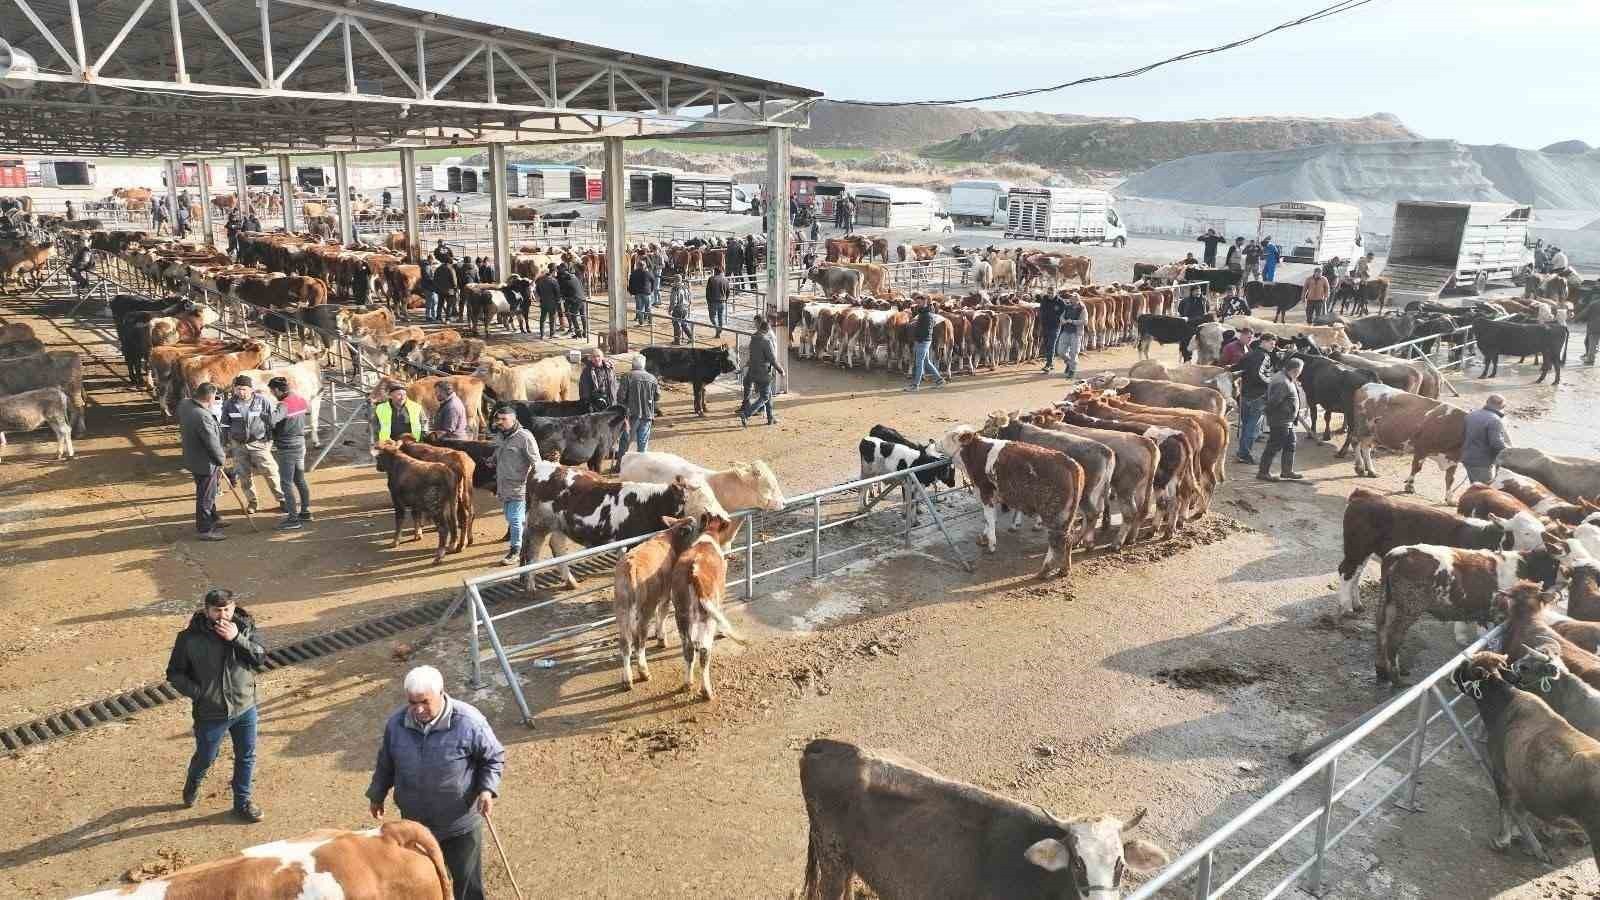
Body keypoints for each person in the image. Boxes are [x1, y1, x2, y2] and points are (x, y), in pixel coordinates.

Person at [367, 666, 505, 900]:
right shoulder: (396, 725)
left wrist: (486, 790)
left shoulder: (469, 722)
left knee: (466, 883)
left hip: (459, 823)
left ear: (441, 693)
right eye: (412, 702)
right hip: (415, 824)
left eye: (424, 702)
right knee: (423, 881)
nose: (418, 709)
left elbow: (493, 757)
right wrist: (377, 794)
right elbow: (386, 763)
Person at [167, 587, 267, 822]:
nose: (222, 615)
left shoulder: (245, 628)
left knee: (246, 756)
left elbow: (260, 657)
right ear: (207, 610)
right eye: (217, 610)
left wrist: (236, 639)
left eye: (227, 609)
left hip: (245, 706)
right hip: (211, 712)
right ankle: (193, 782)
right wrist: (200, 694)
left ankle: (242, 803)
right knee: (206, 756)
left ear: (233, 607)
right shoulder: (189, 639)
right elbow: (175, 673)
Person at [221, 375, 285, 514]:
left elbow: (271, 422)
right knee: (244, 476)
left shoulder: (263, 402)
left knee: (271, 473)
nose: (240, 392)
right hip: (238, 446)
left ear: (251, 389)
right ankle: (252, 503)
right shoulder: (229, 404)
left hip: (259, 444)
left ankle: (282, 499)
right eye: (237, 389)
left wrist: (268, 441)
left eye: (243, 389)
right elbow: (225, 425)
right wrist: (225, 443)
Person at [489, 406, 538, 565]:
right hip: (503, 485)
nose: (500, 422)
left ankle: (516, 550)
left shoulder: (524, 437)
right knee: (510, 518)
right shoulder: (501, 436)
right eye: (499, 419)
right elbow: (498, 452)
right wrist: (492, 460)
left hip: (520, 486)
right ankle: (525, 541)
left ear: (514, 419)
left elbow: (536, 462)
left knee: (515, 518)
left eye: (504, 419)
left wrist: (533, 484)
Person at [179, 382, 228, 541]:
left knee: (209, 492)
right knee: (205, 495)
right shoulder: (203, 416)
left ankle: (213, 518)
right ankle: (205, 529)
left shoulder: (185, 405)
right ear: (210, 397)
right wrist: (221, 460)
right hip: (206, 461)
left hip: (194, 457)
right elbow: (212, 442)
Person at [266, 377, 312, 530]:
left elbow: (273, 420)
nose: (272, 394)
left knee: (286, 483)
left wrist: (264, 415)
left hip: (287, 447)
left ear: (278, 390)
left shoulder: (283, 404)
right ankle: (305, 512)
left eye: (272, 391)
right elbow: (306, 412)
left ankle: (293, 519)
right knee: (300, 479)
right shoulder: (300, 399)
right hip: (300, 444)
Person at [1232, 332, 1277, 465]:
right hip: (1258, 397)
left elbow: (1237, 368)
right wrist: (1271, 381)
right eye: (1272, 343)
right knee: (1253, 428)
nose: (1273, 347)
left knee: (1247, 426)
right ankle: (1244, 454)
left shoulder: (1249, 354)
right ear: (1264, 341)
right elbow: (1260, 375)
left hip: (1244, 395)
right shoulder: (1264, 357)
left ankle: (1242, 452)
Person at [1258, 358, 1306, 482]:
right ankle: (1263, 472)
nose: (1301, 373)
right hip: (1280, 420)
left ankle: (1286, 471)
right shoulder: (1282, 382)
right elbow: (1274, 402)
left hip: (1286, 420)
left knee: (1290, 443)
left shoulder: (1284, 377)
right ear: (1296, 370)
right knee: (1274, 445)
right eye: (1300, 371)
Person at [740, 315, 784, 425]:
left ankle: (770, 418)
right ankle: (746, 414)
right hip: (763, 373)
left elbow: (752, 356)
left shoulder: (753, 339)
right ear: (767, 329)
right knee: (764, 397)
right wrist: (781, 370)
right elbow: (772, 359)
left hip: (753, 371)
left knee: (767, 395)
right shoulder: (766, 341)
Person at [373, 383, 424, 470]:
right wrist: (378, 442)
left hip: (410, 445)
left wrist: (421, 442)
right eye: (399, 394)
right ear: (390, 396)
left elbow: (423, 425)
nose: (402, 397)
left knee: (411, 470)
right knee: (393, 472)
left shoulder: (416, 407)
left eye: (404, 394)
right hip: (390, 446)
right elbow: (375, 427)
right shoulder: (381, 408)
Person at [617, 353, 659, 457]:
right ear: (644, 365)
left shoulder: (627, 376)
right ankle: (641, 466)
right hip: (647, 414)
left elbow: (620, 397)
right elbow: (657, 396)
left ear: (632, 364)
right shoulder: (652, 378)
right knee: (643, 444)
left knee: (625, 442)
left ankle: (620, 465)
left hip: (630, 415)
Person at [1462, 394, 1511, 484]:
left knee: (1475, 486)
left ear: (1487, 402)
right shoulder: (1495, 420)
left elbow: (1463, 435)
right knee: (1484, 489)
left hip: (1467, 457)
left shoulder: (1471, 415)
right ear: (1502, 406)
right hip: (1482, 462)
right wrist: (1510, 451)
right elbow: (1496, 443)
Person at [903, 294, 947, 392]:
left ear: (925, 302)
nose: (917, 304)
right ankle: (940, 380)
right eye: (917, 302)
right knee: (926, 362)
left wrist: (918, 339)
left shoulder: (927, 314)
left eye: (919, 302)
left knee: (919, 363)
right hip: (924, 340)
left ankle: (915, 385)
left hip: (923, 341)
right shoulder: (924, 312)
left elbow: (927, 330)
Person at [1057, 292, 1085, 379]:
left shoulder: (1082, 309)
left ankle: (1072, 370)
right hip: (1065, 331)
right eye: (1071, 298)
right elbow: (1061, 317)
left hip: (1076, 333)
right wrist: (1063, 320)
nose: (1071, 299)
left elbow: (1085, 321)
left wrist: (1073, 321)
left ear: (1077, 299)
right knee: (1060, 351)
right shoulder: (1067, 307)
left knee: (1074, 352)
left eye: (1073, 298)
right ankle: (1068, 362)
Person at [1037, 291, 1066, 373]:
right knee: (1046, 344)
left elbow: (1064, 313)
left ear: (1055, 293)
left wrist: (1060, 320)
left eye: (1052, 293)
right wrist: (1041, 323)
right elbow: (1041, 311)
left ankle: (1048, 364)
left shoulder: (1060, 302)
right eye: (1049, 293)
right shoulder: (1044, 300)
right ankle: (1050, 362)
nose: (1050, 294)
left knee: (1051, 344)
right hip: (1045, 326)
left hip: (1055, 326)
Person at [557, 264, 588, 337]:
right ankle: (585, 332)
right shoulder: (575, 277)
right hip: (583, 298)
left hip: (576, 300)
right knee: (583, 315)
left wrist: (563, 297)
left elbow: (563, 292)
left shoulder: (565, 281)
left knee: (573, 316)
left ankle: (578, 333)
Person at [535, 264, 562, 338]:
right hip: (552, 303)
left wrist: (541, 298)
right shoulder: (554, 281)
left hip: (543, 301)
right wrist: (558, 300)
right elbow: (557, 292)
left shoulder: (540, 279)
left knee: (542, 318)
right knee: (552, 318)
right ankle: (552, 334)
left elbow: (537, 289)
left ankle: (542, 334)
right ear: (554, 271)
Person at [627, 258, 655, 326]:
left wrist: (631, 291)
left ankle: (641, 322)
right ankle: (650, 321)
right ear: (644, 266)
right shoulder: (647, 273)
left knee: (639, 308)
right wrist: (651, 290)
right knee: (648, 307)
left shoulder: (634, 273)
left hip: (637, 293)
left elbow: (630, 283)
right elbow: (653, 280)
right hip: (646, 292)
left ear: (638, 266)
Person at [668, 275, 693, 344]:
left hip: (678, 308)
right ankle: (691, 337)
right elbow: (690, 298)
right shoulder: (685, 287)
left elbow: (673, 301)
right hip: (685, 308)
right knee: (684, 324)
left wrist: (670, 309)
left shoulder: (675, 288)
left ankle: (677, 340)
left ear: (675, 280)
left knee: (676, 324)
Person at [706, 266, 730, 337]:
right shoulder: (726, 280)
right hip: (722, 301)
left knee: (712, 317)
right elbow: (728, 291)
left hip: (713, 301)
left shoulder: (711, 279)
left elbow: (707, 292)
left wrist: (708, 301)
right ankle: (719, 330)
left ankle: (717, 329)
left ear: (715, 271)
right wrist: (725, 299)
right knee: (720, 317)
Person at [420, 257, 439, 322]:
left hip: (428, 287)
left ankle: (431, 316)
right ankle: (429, 316)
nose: (433, 261)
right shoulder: (427, 266)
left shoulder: (426, 266)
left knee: (432, 301)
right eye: (433, 260)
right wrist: (435, 280)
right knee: (431, 302)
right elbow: (428, 277)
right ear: (430, 259)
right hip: (429, 287)